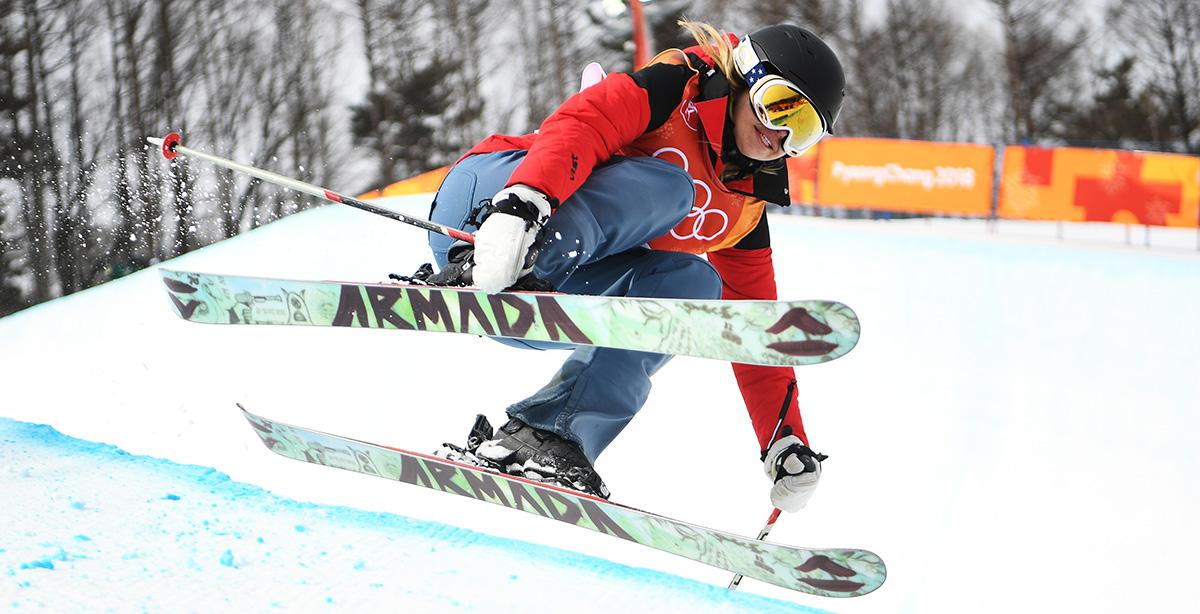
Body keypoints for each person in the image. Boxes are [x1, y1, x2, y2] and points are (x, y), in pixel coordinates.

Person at [424, 19, 845, 513]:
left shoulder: (744, 209)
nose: (779, 134)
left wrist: (785, 440)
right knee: (671, 187)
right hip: (491, 202)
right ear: (746, 76)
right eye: (779, 106)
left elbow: (750, 328)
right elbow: (584, 122)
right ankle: (505, 260)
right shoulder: (674, 87)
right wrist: (523, 204)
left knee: (694, 285)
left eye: (803, 131)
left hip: (549, 288)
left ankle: (548, 434)